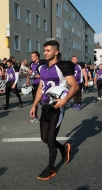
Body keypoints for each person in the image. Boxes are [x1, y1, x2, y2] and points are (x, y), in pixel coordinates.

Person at [30, 40, 78, 181]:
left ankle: (51, 169)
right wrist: (34, 105)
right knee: (44, 138)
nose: (45, 53)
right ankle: (63, 149)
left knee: (50, 139)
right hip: (44, 106)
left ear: (56, 52)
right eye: (44, 50)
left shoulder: (62, 67)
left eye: (48, 50)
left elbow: (74, 86)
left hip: (57, 108)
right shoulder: (41, 68)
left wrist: (65, 100)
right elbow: (41, 87)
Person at [26, 51, 43, 123]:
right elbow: (29, 73)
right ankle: (35, 117)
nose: (31, 57)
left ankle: (45, 117)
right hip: (35, 84)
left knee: (43, 101)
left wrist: (34, 76)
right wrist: (28, 80)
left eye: (33, 56)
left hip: (41, 84)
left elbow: (43, 75)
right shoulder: (31, 64)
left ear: (37, 57)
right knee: (34, 101)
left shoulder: (41, 64)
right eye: (31, 56)